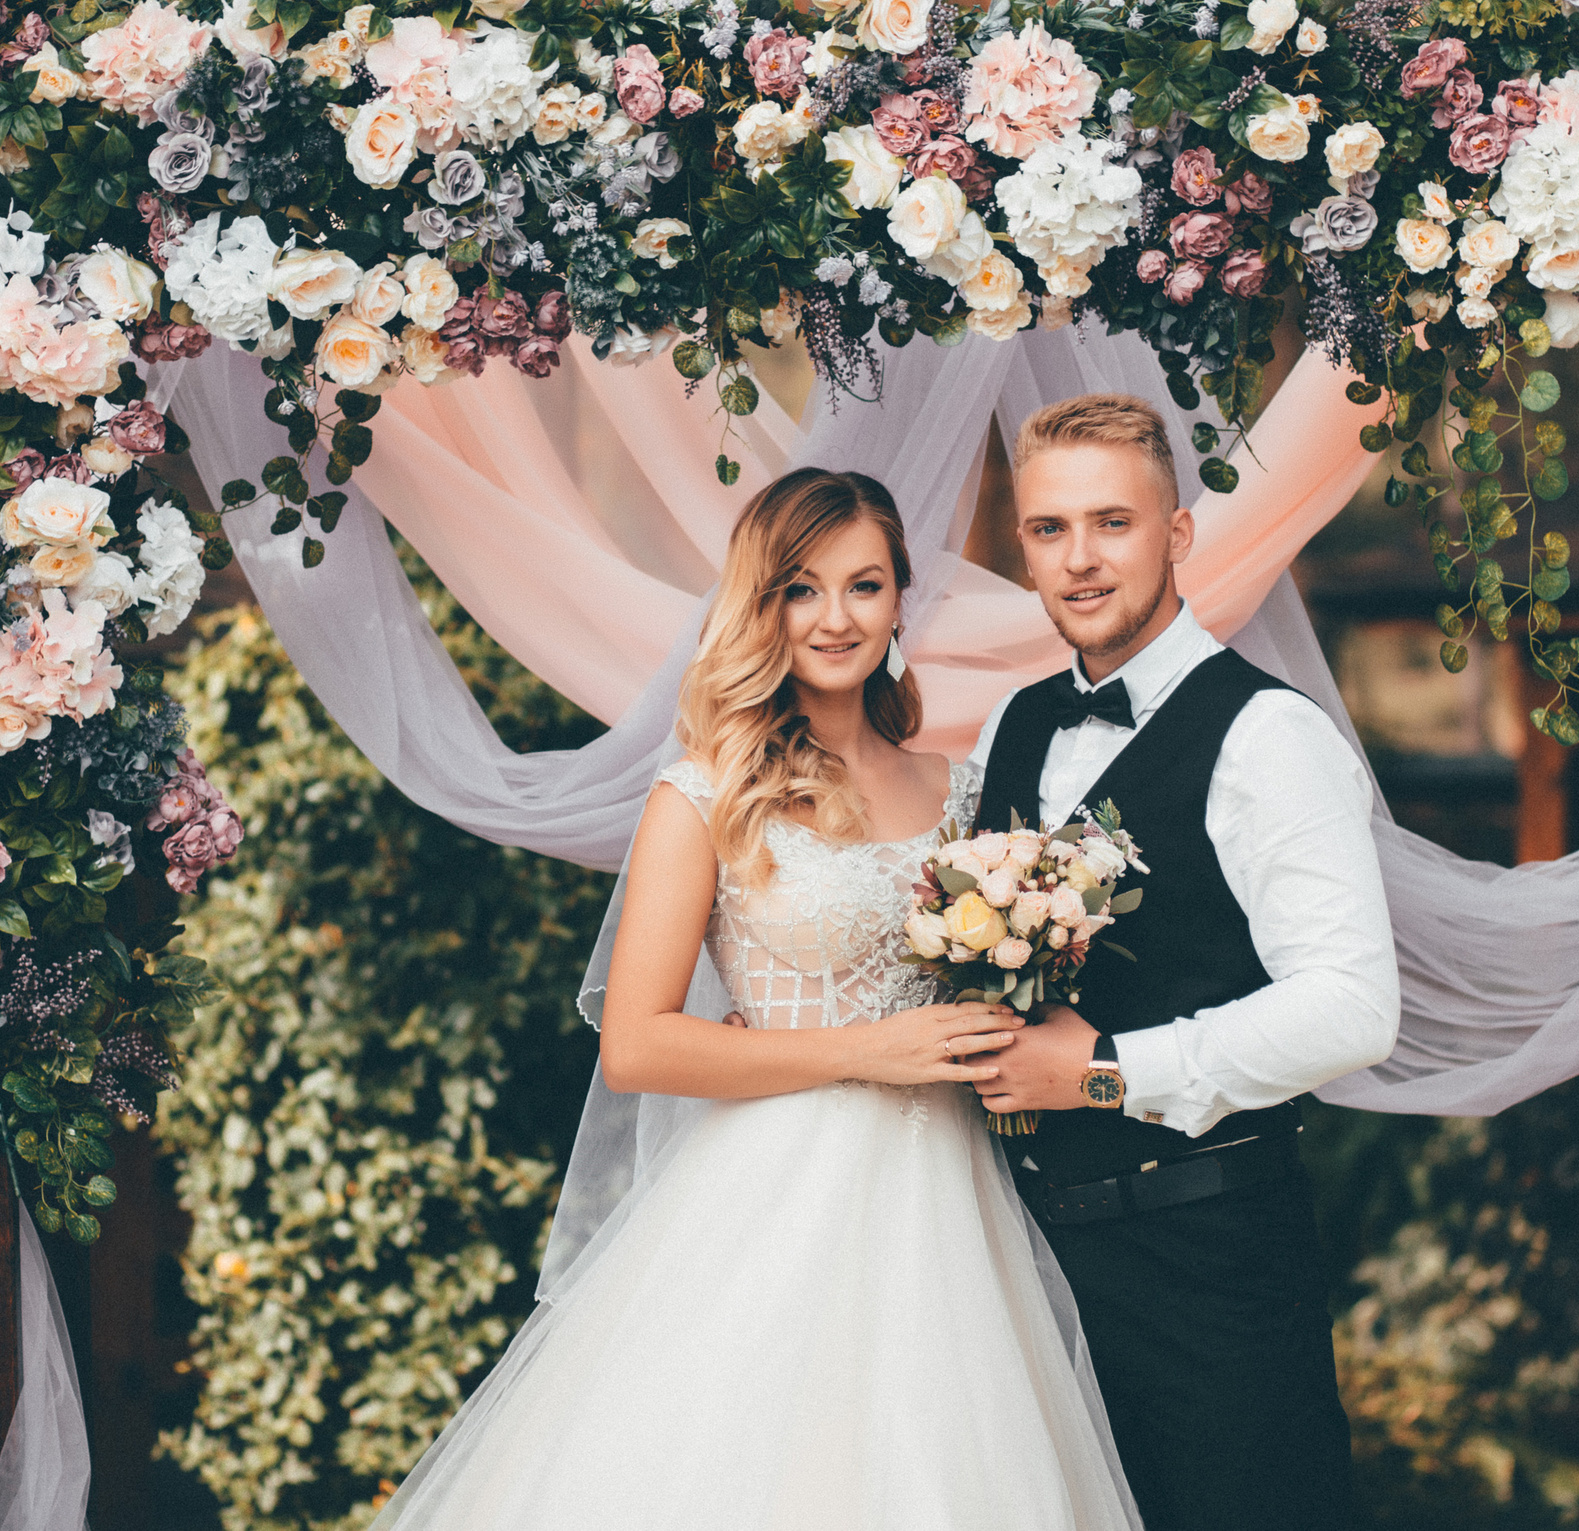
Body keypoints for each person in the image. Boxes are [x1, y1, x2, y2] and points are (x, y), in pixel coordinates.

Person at [365, 468, 1141, 1531]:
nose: (835, 618)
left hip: (953, 1204)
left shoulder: (961, 789)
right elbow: (636, 1046)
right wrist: (869, 1050)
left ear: (899, 602)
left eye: (864, 586)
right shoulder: (705, 796)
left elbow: (990, 992)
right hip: (775, 1198)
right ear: (760, 605)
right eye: (801, 589)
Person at [966, 393, 1401, 1531]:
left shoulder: (1269, 738)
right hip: (1030, 1265)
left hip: (1211, 1262)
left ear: (1177, 533)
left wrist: (1104, 1069)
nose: (1079, 560)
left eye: (1111, 522)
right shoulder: (1008, 729)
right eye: (1049, 530)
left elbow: (1353, 1009)